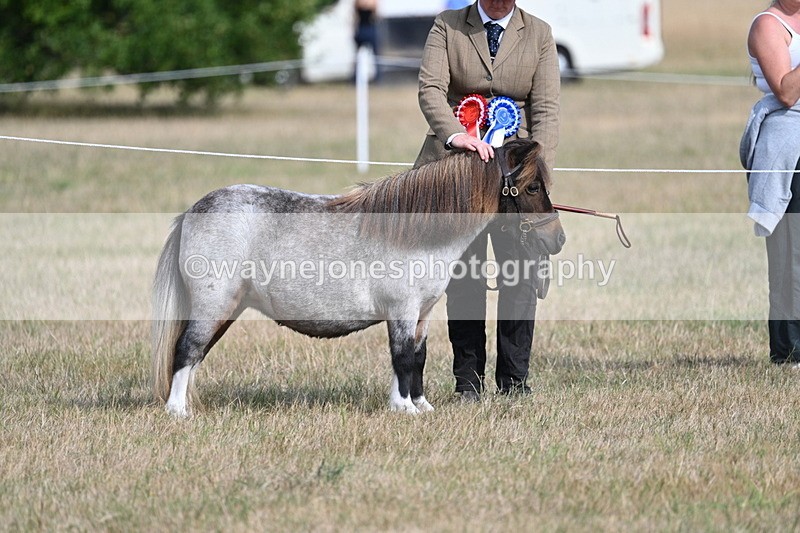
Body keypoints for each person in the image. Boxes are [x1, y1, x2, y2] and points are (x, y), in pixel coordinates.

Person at [414, 0, 560, 400]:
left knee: (521, 276)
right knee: (464, 279)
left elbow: (546, 109)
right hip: (457, 171)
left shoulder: (540, 34)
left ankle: (514, 382)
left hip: (517, 179)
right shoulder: (447, 26)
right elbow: (430, 89)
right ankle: (468, 383)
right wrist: (454, 134)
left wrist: (535, 169)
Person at [741, 0, 800, 365]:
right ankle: (789, 350)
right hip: (788, 142)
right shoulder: (767, 25)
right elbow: (786, 91)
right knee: (790, 255)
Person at [354, 0, 381, 81]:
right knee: (358, 57)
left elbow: (375, 12)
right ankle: (356, 78)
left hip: (369, 27)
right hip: (362, 28)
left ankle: (378, 78)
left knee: (377, 56)